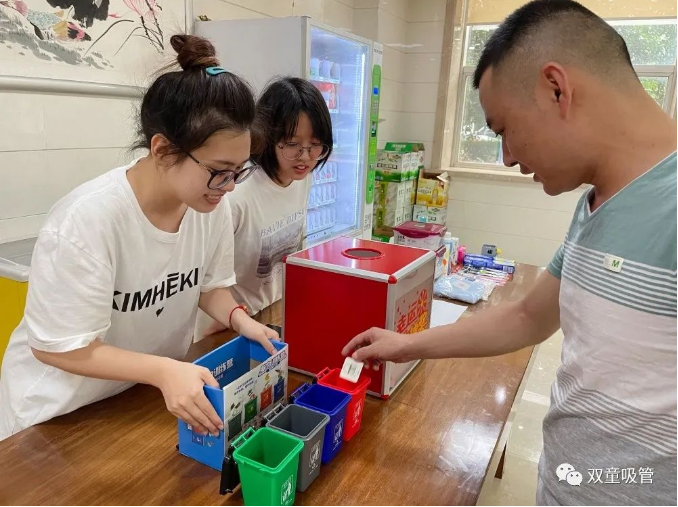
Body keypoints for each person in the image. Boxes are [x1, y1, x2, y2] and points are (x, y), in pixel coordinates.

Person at [342, 1, 677, 504]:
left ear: (556, 89)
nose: (508, 158)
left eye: (503, 131)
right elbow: (527, 316)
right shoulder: (596, 202)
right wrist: (406, 345)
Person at [0, 34, 280, 441]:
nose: (230, 185)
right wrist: (163, 370)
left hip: (133, 396)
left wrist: (241, 321)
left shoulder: (209, 205)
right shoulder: (89, 220)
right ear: (163, 150)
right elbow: (56, 347)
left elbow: (208, 287)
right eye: (219, 171)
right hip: (55, 416)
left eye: (239, 171)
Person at [200, 77, 333, 337]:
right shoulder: (237, 192)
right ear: (267, 137)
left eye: (315, 144)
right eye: (292, 144)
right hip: (227, 326)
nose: (306, 157)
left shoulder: (301, 179)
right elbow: (205, 278)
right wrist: (234, 318)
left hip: (270, 313)